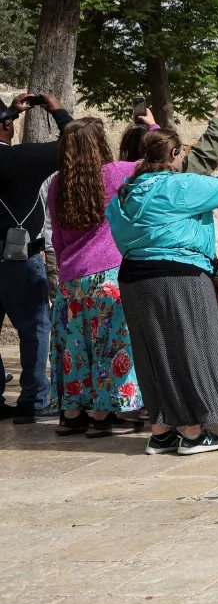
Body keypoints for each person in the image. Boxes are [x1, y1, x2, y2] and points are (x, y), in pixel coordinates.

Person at [106, 125, 218, 455]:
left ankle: (160, 433)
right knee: (190, 351)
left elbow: (119, 233)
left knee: (152, 354)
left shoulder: (125, 194)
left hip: (134, 279)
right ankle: (192, 432)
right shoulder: (179, 185)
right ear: (174, 154)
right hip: (179, 277)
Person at [42, 118, 141, 436]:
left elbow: (57, 238)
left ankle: (72, 414)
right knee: (109, 347)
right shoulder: (113, 175)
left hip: (71, 281)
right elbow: (153, 159)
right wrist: (151, 126)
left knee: (75, 349)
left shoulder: (58, 184)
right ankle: (102, 417)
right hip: (108, 276)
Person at [0, 91, 73, 423]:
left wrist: (8, 112)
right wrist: (56, 110)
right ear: (5, 126)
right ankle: (33, 399)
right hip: (19, 260)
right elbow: (75, 142)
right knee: (35, 329)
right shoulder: (21, 159)